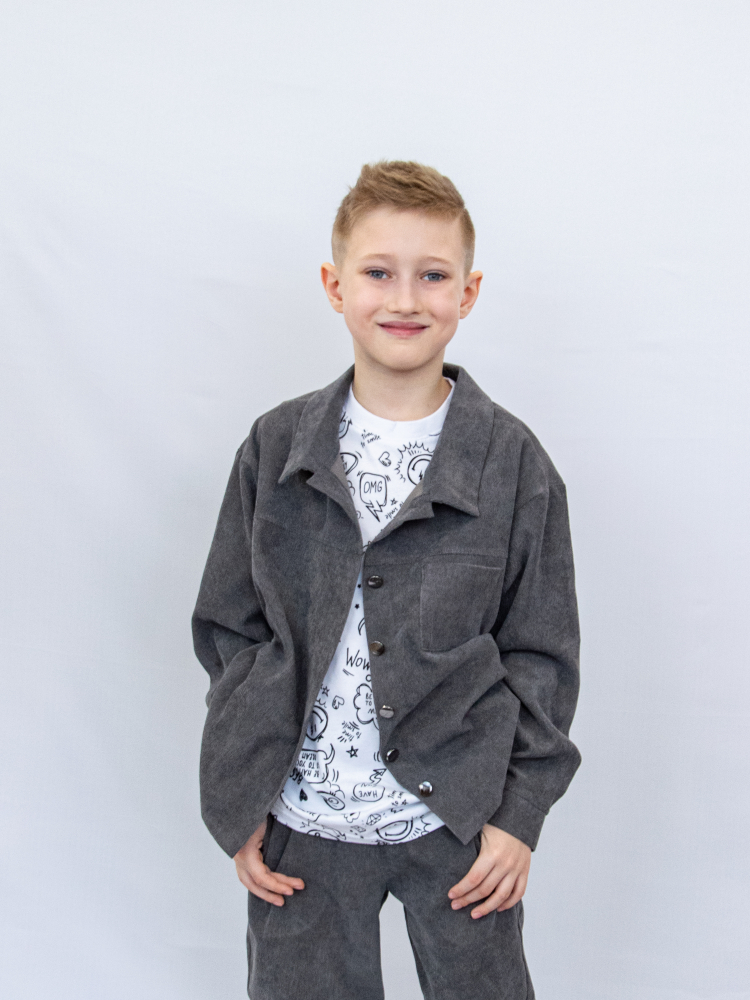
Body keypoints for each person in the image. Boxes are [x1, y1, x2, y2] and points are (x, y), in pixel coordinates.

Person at [192, 161, 581, 1000]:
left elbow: (541, 655)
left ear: (468, 292)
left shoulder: (513, 463)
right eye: (378, 272)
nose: (405, 299)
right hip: (301, 826)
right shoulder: (275, 448)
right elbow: (231, 631)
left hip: (460, 825)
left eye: (433, 276)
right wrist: (240, 792)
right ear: (335, 286)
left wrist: (518, 818)